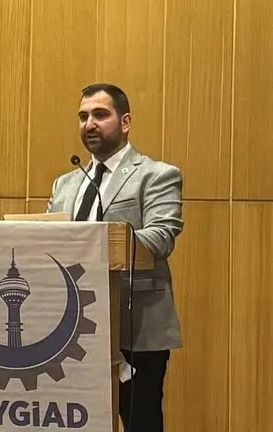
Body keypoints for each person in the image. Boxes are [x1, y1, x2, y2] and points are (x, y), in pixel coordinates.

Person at [45, 83, 183, 432]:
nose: (89, 124)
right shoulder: (65, 184)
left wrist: (95, 243)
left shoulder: (156, 175)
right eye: (83, 116)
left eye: (100, 114)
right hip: (71, 324)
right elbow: (48, 242)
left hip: (135, 325)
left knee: (141, 422)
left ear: (125, 122)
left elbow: (161, 236)